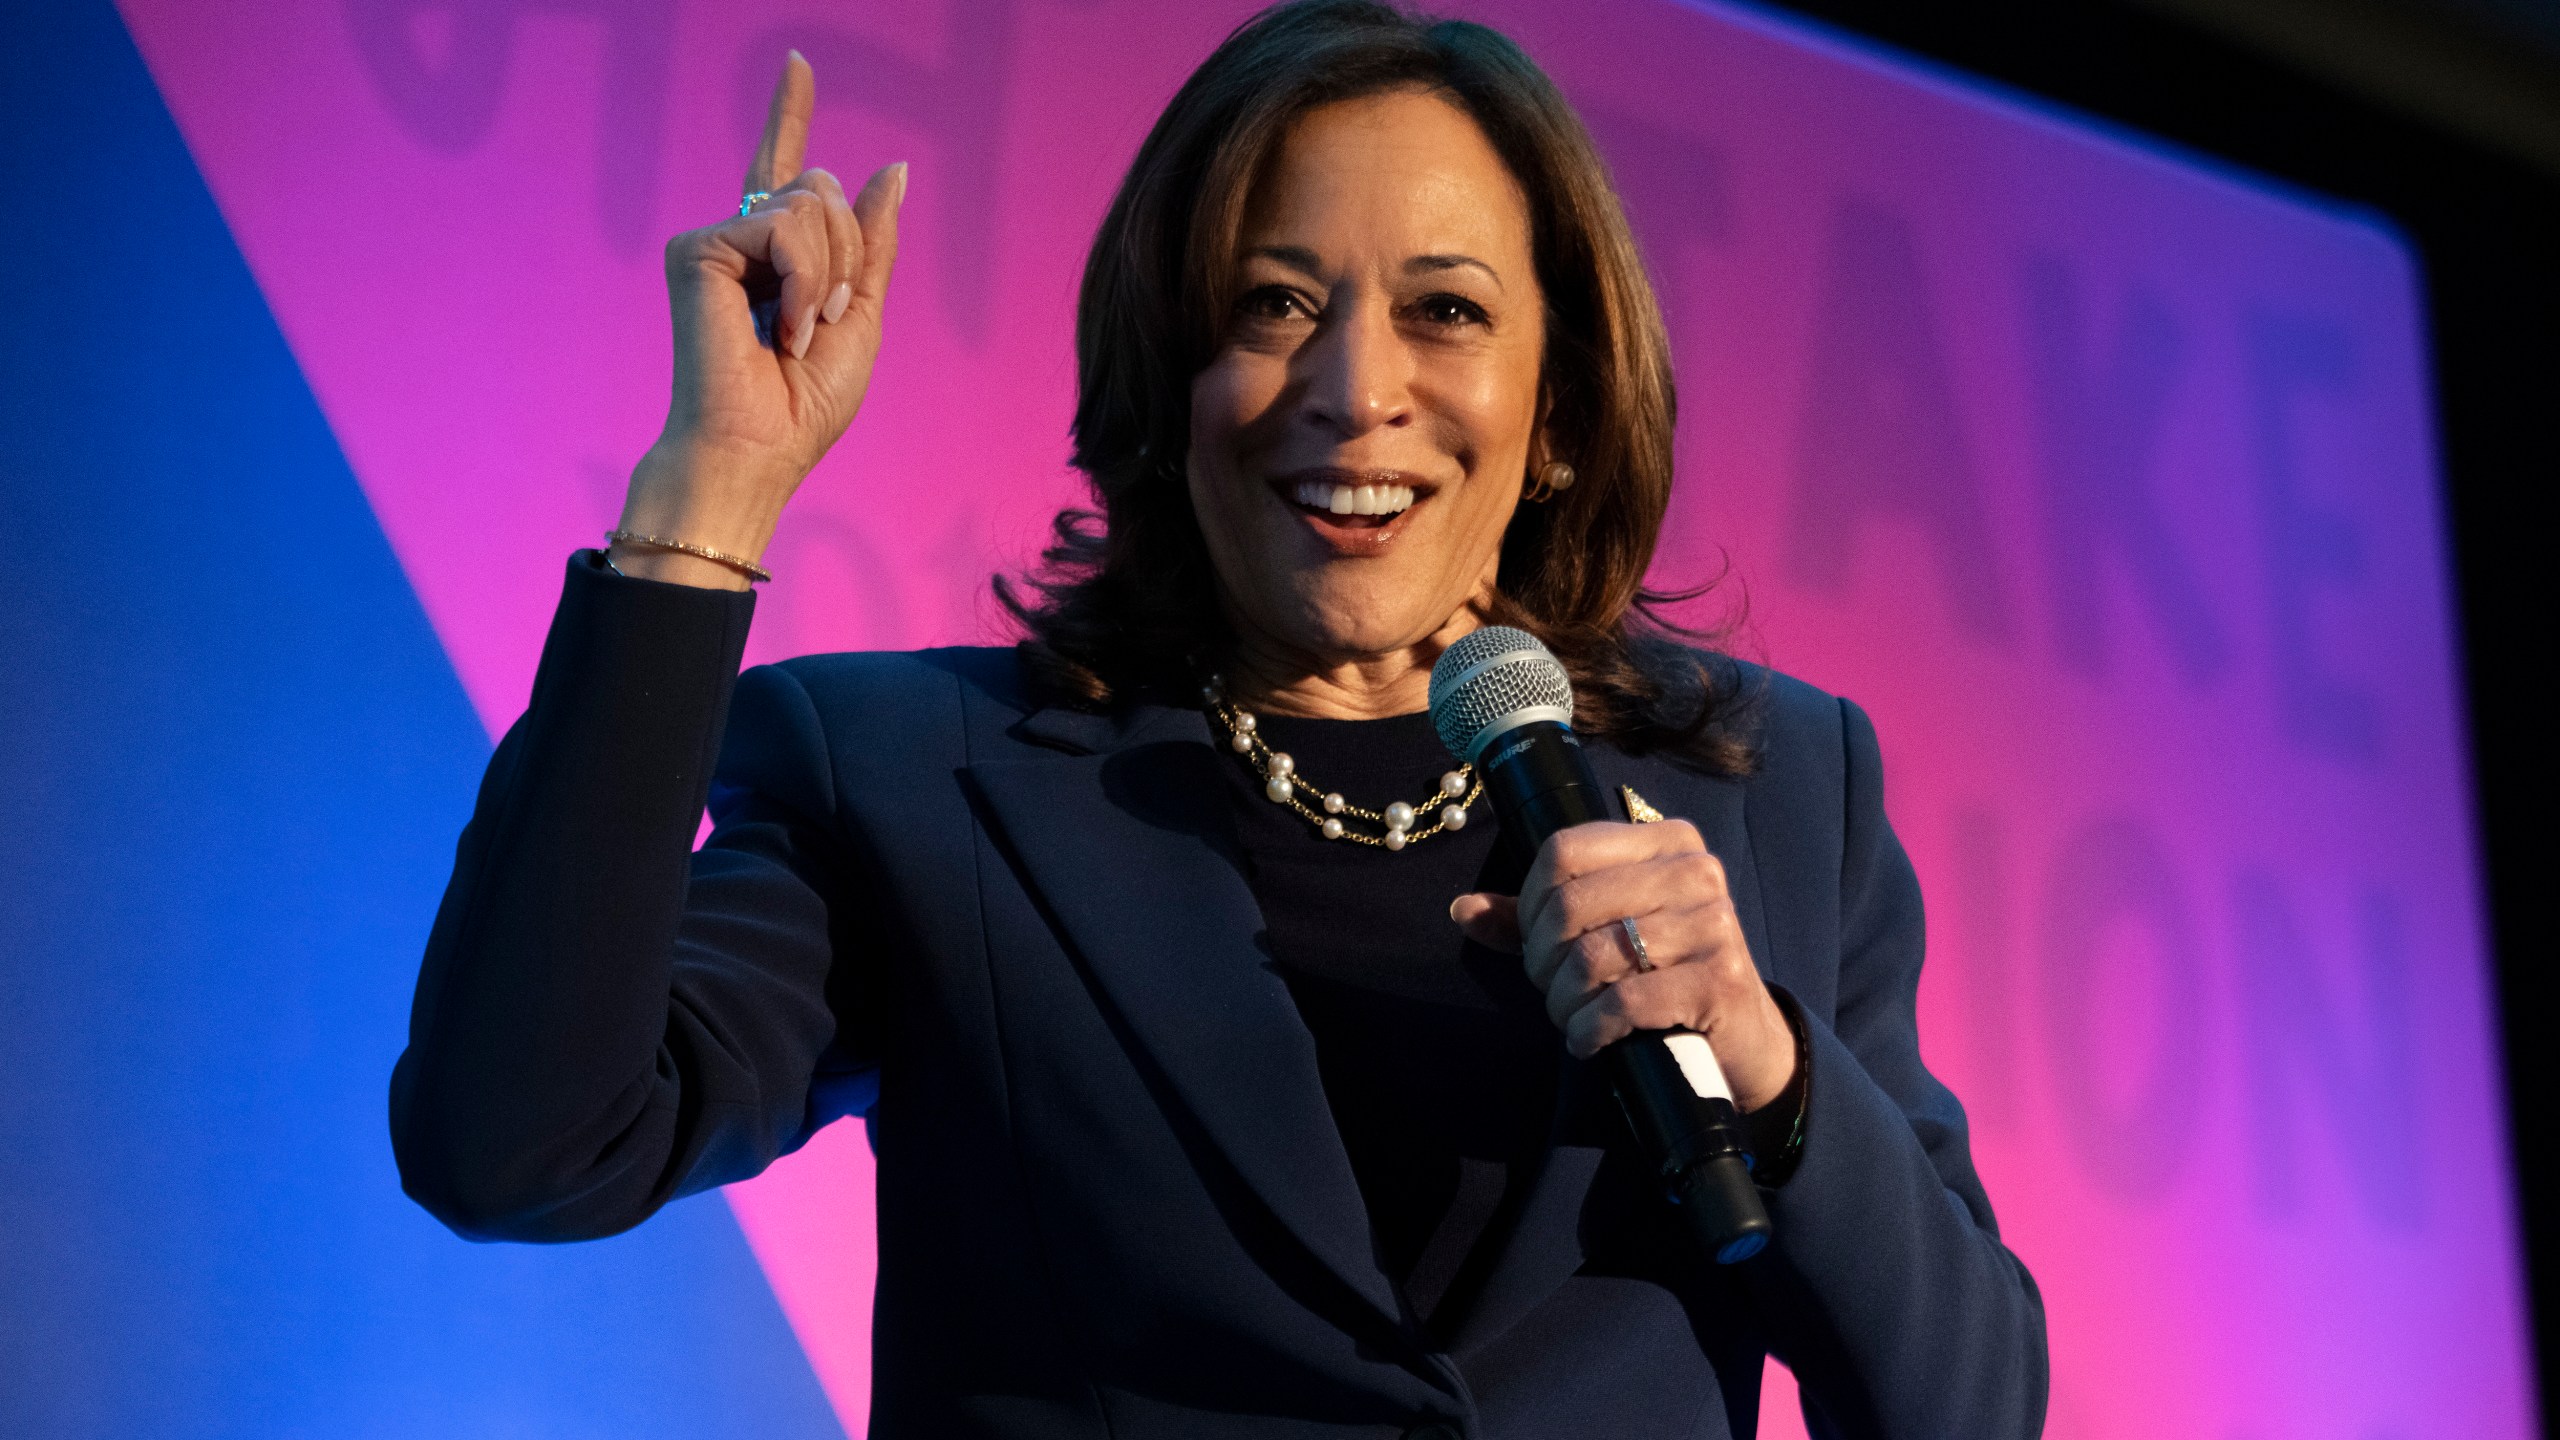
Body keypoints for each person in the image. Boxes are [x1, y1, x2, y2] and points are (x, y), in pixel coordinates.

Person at [390, 3, 2046, 1436]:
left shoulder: (1768, 791)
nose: (1354, 387)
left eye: (1447, 311)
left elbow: (1964, 1406)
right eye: (1273, 305)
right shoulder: (917, 781)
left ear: (1556, 405)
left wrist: (1760, 1057)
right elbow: (522, 1142)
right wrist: (707, 498)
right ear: (1172, 384)